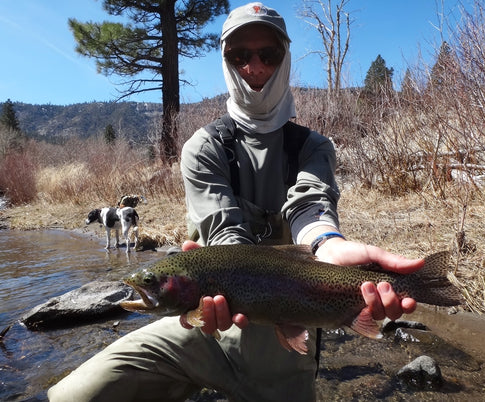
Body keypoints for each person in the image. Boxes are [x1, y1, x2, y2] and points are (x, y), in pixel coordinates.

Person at [48, 3, 423, 401]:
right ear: (226, 61)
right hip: (202, 329)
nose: (254, 67)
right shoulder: (204, 147)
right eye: (239, 56)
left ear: (285, 60)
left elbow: (310, 207)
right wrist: (219, 280)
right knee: (75, 395)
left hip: (284, 348)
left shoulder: (314, 148)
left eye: (268, 54)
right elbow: (224, 231)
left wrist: (327, 243)